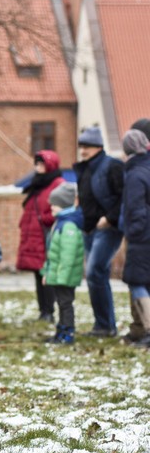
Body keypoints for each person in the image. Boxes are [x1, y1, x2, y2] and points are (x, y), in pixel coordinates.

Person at [73, 126, 125, 338]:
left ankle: (105, 325)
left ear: (98, 147)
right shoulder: (85, 168)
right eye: (81, 146)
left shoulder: (112, 166)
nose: (83, 150)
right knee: (96, 275)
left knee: (95, 271)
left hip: (107, 228)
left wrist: (110, 218)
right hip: (89, 228)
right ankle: (103, 325)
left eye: (87, 146)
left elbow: (124, 196)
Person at [16, 150, 65, 324]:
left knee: (47, 273)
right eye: (37, 163)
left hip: (47, 235)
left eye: (42, 164)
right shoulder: (37, 184)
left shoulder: (58, 183)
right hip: (34, 234)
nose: (38, 167)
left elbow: (63, 208)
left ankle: (50, 311)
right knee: (38, 273)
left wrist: (44, 219)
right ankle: (43, 310)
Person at [42, 183, 84, 344]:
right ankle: (61, 331)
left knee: (66, 304)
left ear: (64, 204)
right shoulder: (60, 222)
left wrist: (62, 276)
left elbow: (68, 255)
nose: (51, 207)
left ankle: (67, 333)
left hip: (65, 276)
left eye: (55, 204)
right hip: (59, 274)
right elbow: (52, 253)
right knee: (61, 303)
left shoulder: (69, 226)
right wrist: (47, 272)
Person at [120, 129, 150, 347]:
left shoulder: (135, 175)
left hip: (142, 237)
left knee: (136, 281)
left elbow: (135, 208)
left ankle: (148, 330)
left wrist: (133, 233)